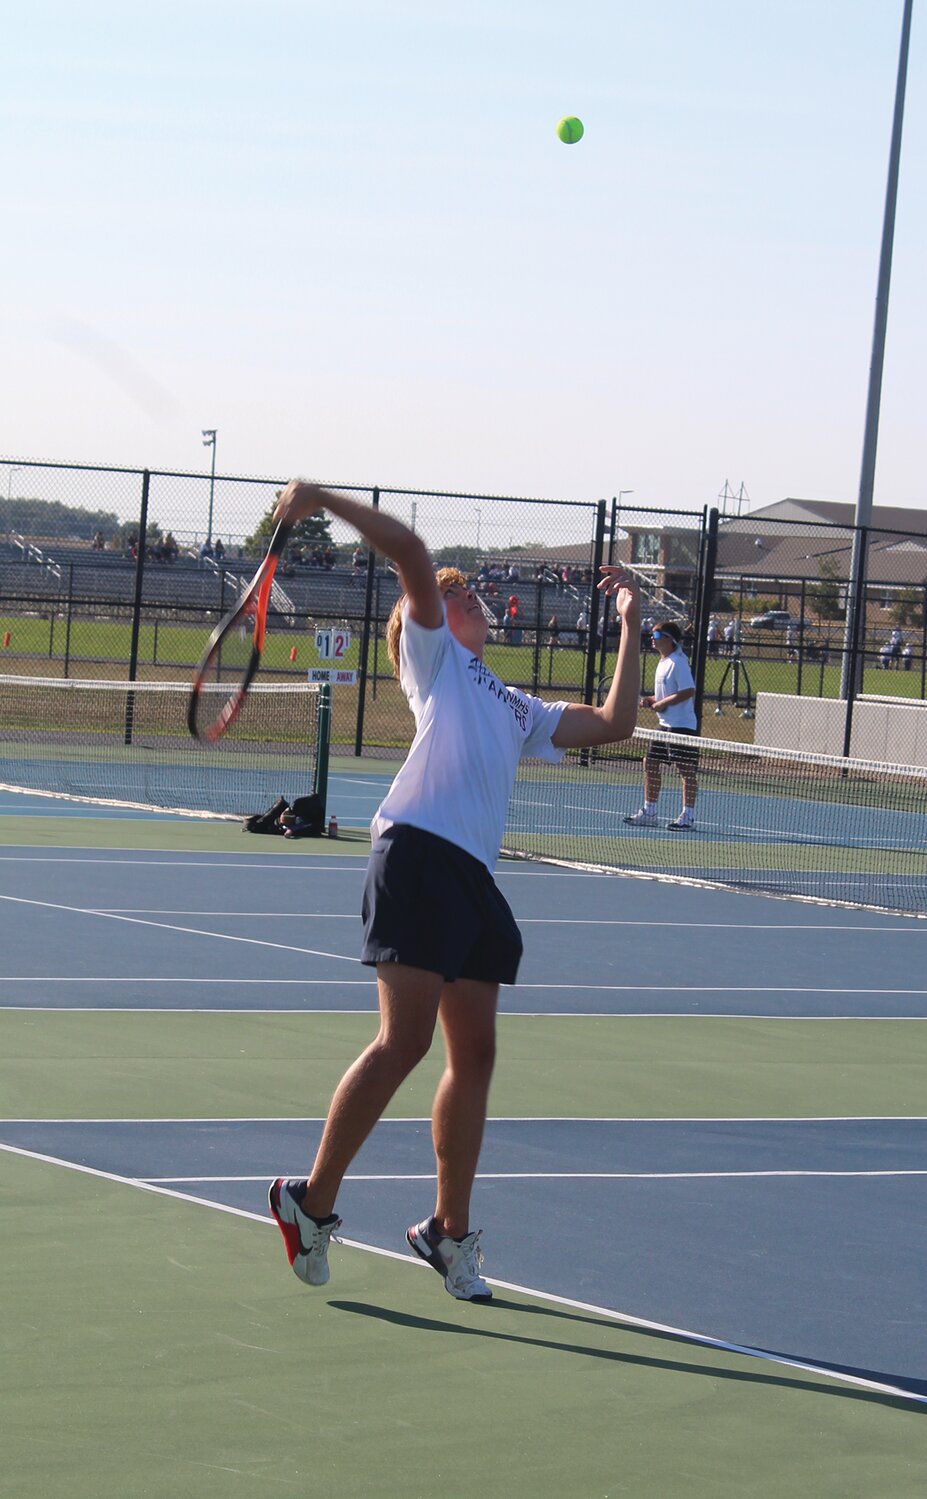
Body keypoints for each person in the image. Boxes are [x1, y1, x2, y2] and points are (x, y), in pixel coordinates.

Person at [266, 478, 641, 1301]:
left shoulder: (512, 703)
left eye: (468, 589)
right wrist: (323, 498)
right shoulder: (431, 657)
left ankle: (447, 1231)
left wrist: (629, 623)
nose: (467, 591)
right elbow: (410, 553)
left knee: (474, 1052)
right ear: (424, 626)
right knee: (403, 1042)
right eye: (455, 590)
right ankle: (309, 1199)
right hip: (416, 855)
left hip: (471, 876)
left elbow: (614, 724)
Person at [625, 619, 698, 831]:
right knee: (650, 762)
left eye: (656, 635)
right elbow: (666, 694)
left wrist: (661, 704)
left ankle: (688, 817)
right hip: (664, 724)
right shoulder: (663, 662)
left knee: (685, 770)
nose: (652, 638)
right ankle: (649, 811)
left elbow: (687, 691)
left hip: (682, 726)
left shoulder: (678, 662)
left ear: (669, 639)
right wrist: (651, 699)